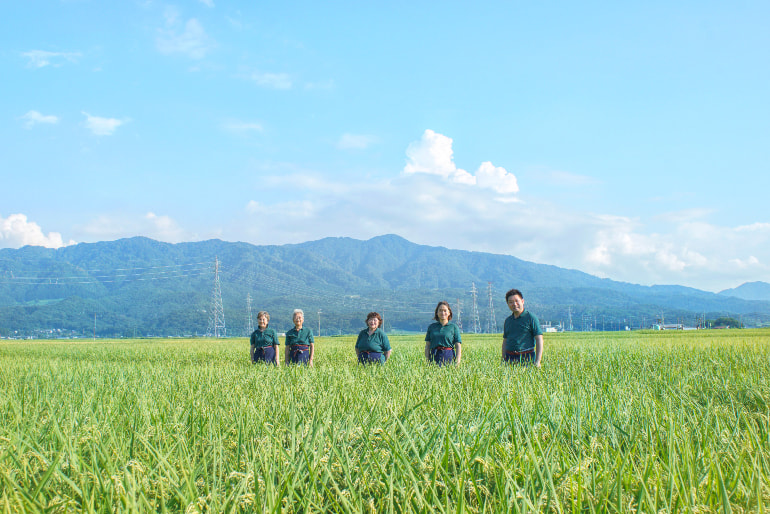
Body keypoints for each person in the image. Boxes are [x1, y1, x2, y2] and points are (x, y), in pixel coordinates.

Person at [502, 289, 543, 367]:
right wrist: (503, 359)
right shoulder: (508, 321)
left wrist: (538, 361)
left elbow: (539, 339)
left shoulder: (531, 318)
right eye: (511, 302)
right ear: (507, 304)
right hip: (510, 357)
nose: (514, 304)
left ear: (522, 301)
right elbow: (505, 341)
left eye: (517, 301)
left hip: (527, 357)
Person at [424, 301, 462, 366]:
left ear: (449, 313)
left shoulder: (453, 327)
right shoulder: (432, 327)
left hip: (449, 355)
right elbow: (427, 345)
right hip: (434, 355)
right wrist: (427, 360)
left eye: (445, 311)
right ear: (437, 313)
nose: (443, 313)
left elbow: (458, 345)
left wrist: (458, 361)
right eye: (440, 310)